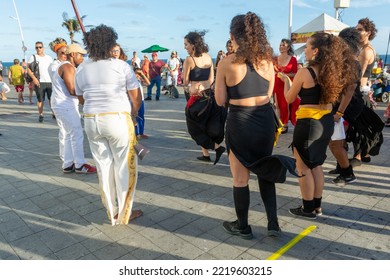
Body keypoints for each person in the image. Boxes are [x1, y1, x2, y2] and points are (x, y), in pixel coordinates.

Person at [215, 12, 298, 239]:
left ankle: (243, 226)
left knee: (240, 178)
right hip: (263, 121)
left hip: (240, 121)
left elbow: (220, 101)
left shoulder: (226, 63)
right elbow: (269, 93)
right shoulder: (267, 61)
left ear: (233, 36)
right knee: (265, 169)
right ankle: (273, 224)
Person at [279, 32, 357, 219]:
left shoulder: (305, 72)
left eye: (307, 47)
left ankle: (307, 208)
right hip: (326, 122)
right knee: (316, 165)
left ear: (315, 51)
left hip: (309, 124)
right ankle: (317, 206)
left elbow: (289, 98)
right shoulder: (334, 72)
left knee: (303, 167)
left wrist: (286, 82)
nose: (304, 50)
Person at [75, 24, 142, 226]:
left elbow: (80, 98)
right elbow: (135, 96)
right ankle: (124, 212)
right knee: (124, 166)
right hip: (116, 118)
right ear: (109, 43)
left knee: (103, 167)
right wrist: (134, 113)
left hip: (91, 120)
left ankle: (111, 212)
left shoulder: (81, 67)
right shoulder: (120, 66)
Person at [51, 43, 97, 174]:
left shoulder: (64, 66)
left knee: (68, 134)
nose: (83, 58)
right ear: (73, 55)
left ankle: (68, 163)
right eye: (81, 55)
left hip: (60, 105)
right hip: (66, 105)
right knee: (77, 134)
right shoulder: (68, 67)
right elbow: (72, 90)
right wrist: (88, 96)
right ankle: (80, 165)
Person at [182, 31, 227, 165]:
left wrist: (194, 84)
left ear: (193, 45)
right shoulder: (208, 57)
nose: (185, 47)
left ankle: (216, 148)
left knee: (194, 128)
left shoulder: (189, 60)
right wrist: (205, 86)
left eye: (186, 44)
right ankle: (205, 154)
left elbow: (185, 82)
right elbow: (211, 78)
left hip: (195, 97)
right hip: (208, 96)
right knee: (204, 125)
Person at [328, 27, 364, 186]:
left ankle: (347, 173)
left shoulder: (353, 63)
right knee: (339, 140)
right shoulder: (345, 61)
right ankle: (341, 168)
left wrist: (340, 113)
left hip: (347, 107)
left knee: (335, 142)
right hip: (344, 106)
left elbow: (349, 91)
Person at [350, 18, 379, 165]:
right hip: (362, 90)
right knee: (361, 123)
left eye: (360, 29)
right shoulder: (361, 48)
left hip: (360, 90)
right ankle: (364, 153)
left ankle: (359, 156)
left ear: (368, 32)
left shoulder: (366, 51)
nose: (357, 31)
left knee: (359, 125)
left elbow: (357, 74)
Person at [273, 39, 300, 134]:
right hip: (277, 83)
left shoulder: (293, 59)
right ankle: (278, 124)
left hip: (287, 84)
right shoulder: (275, 58)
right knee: (278, 105)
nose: (281, 46)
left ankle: (285, 124)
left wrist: (285, 75)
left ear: (288, 47)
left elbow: (296, 73)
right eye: (280, 45)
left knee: (287, 104)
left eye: (283, 45)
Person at [27, 41, 54, 122]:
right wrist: (34, 78)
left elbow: (52, 69)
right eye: (36, 47)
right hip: (39, 81)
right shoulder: (33, 57)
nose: (38, 49)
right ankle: (41, 114)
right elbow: (27, 68)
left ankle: (54, 113)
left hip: (50, 81)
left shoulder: (49, 57)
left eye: (40, 47)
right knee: (40, 100)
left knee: (52, 99)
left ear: (43, 48)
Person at [134, 67, 150, 139]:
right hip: (134, 101)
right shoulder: (131, 81)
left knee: (141, 116)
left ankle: (141, 132)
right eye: (136, 73)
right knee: (135, 117)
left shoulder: (140, 80)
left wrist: (142, 74)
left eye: (139, 74)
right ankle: (136, 133)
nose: (138, 75)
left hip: (141, 100)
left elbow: (148, 83)